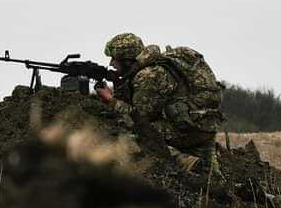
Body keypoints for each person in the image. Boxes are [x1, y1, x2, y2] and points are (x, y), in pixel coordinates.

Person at [95, 32, 226, 173]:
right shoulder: (155, 66)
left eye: (114, 59)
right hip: (204, 123)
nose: (111, 63)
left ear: (127, 59)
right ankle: (214, 181)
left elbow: (139, 118)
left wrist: (111, 100)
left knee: (138, 135)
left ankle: (187, 164)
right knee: (212, 178)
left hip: (188, 127)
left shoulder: (148, 75)